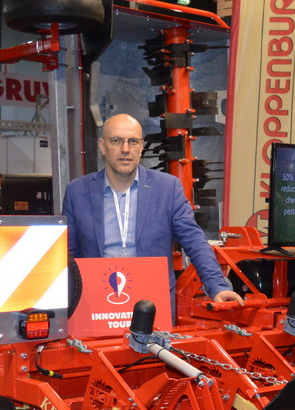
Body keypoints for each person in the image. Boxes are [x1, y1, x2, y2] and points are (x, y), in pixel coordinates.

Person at [62, 114, 242, 308]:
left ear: (141, 147)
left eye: (133, 141)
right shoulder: (77, 191)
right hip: (96, 304)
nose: (125, 149)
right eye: (116, 141)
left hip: (153, 303)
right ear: (102, 146)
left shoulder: (167, 188)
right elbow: (67, 255)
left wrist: (217, 286)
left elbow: (193, 240)